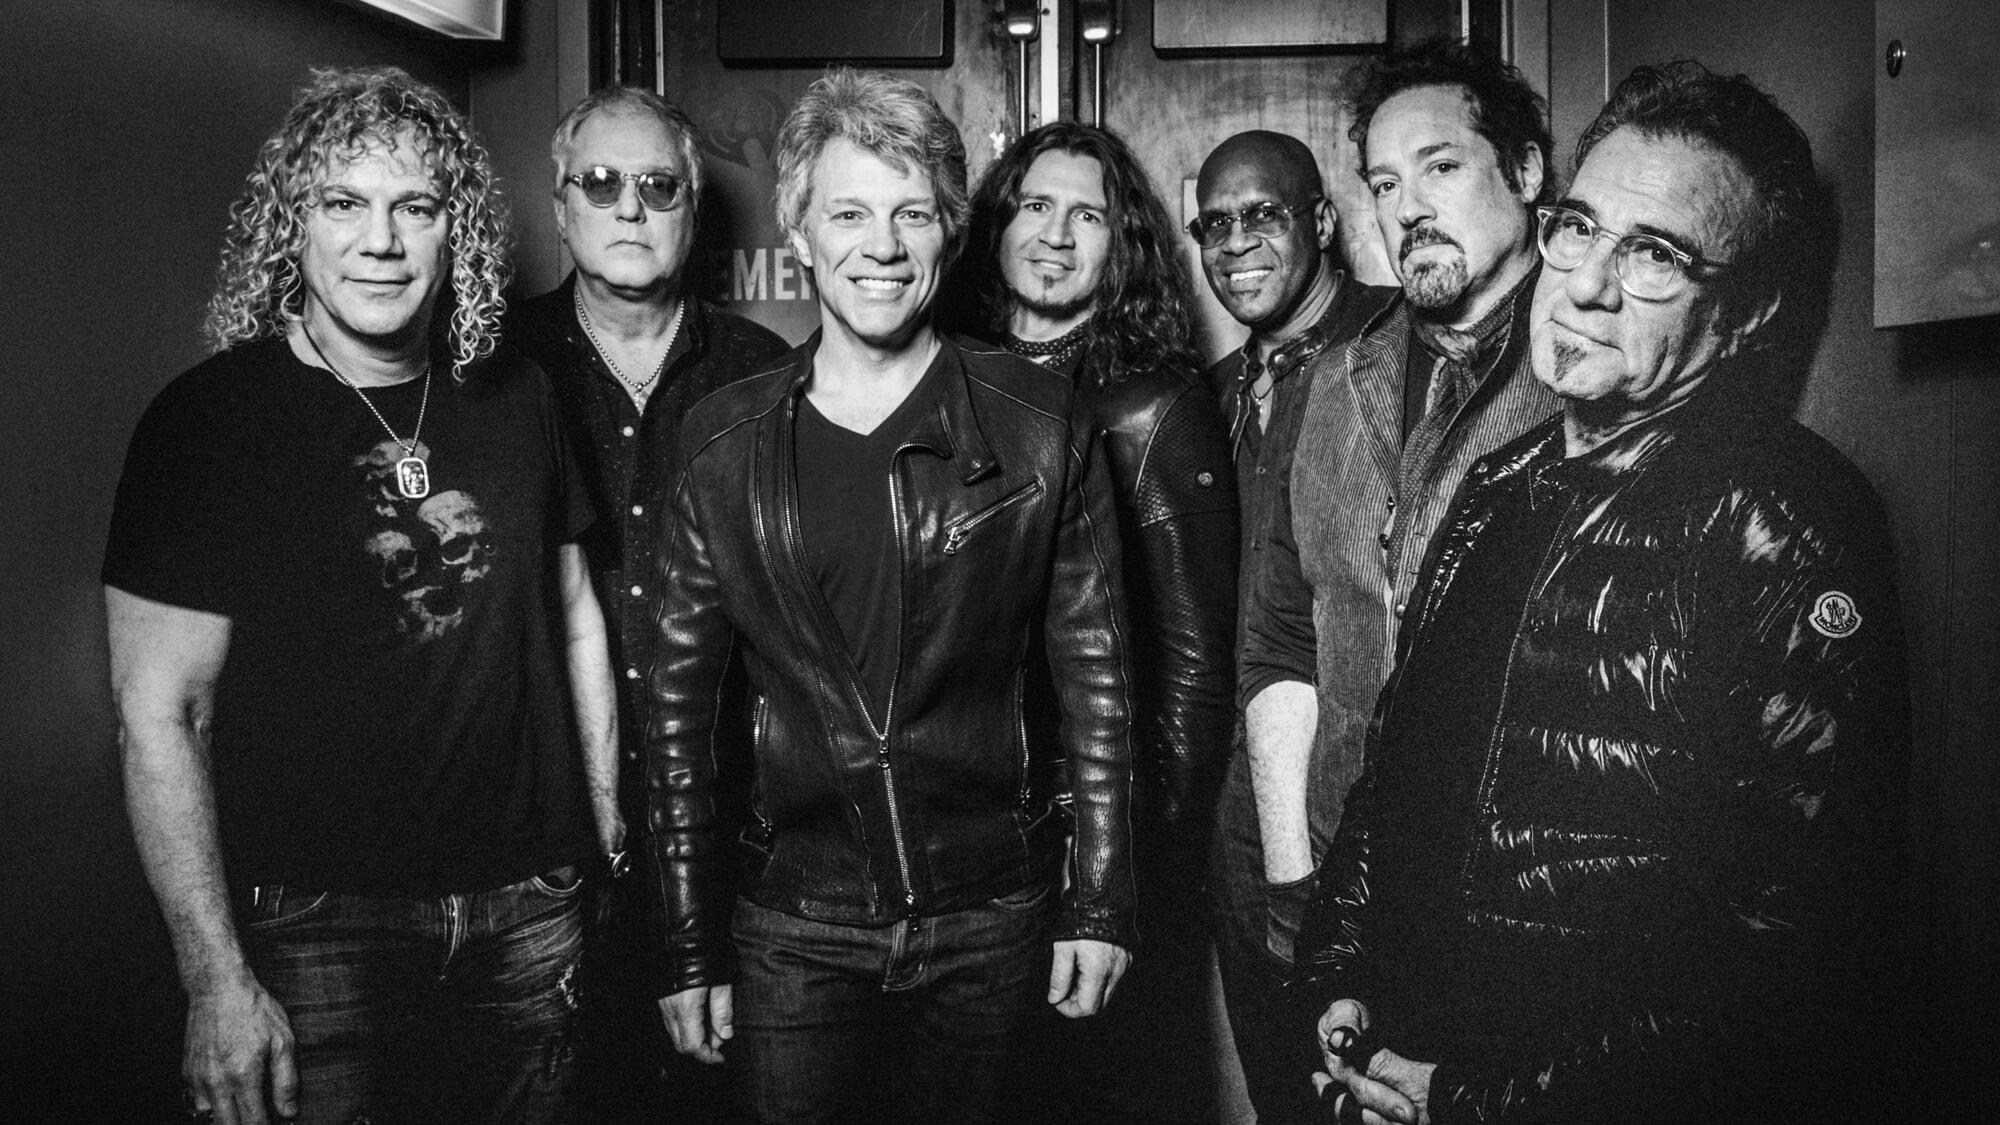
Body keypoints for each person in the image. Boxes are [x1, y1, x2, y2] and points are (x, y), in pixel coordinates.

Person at [1295, 61, 1908, 1124]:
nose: (1584, 284)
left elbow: (1783, 957)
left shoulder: (1786, 524)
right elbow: (1392, 778)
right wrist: (1339, 974)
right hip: (1407, 1056)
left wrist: (1475, 1103)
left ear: (1747, 310)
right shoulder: (1500, 485)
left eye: (1655, 256)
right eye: (1577, 229)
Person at [103, 67, 616, 1125]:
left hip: (531, 900)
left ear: (455, 234)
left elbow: (573, 618)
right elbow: (161, 714)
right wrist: (214, 978)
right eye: (344, 203)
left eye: (414, 207)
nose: (380, 241)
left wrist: (602, 831)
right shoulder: (208, 423)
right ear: (292, 227)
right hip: (317, 922)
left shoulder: (519, 394)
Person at [645, 69, 1136, 1125]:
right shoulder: (720, 442)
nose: (882, 246)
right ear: (799, 231)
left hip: (990, 913)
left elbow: (1097, 684)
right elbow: (678, 718)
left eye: (912, 213)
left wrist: (1100, 901)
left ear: (950, 232)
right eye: (850, 214)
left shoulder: (1040, 422)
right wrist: (686, 942)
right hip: (795, 925)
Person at [506, 85, 788, 1117]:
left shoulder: (765, 376)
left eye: (658, 186)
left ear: (693, 210)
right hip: (542, 829)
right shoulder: (493, 368)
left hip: (731, 826)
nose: (629, 207)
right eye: (600, 183)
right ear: (560, 204)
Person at [954, 120, 1237, 1123]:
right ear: (995, 223)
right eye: (1035, 205)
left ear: (1123, 246)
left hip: (1092, 839)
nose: (1055, 234)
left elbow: (1196, 673)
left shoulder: (1152, 403)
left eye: (1088, 215)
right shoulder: (945, 378)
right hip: (972, 839)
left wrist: (1125, 873)